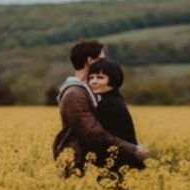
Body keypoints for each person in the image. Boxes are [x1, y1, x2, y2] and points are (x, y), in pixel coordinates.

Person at [52, 40, 148, 177]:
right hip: (78, 162)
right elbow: (93, 133)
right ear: (90, 60)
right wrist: (132, 150)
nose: (104, 63)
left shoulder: (89, 89)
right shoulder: (74, 93)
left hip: (93, 161)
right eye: (101, 59)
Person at [87, 58, 145, 172]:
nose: (93, 82)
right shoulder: (113, 99)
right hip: (123, 162)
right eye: (91, 78)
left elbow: (103, 137)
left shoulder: (109, 104)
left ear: (113, 80)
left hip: (118, 165)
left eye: (100, 77)